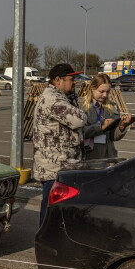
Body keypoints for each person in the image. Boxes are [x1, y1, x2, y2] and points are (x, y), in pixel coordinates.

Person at [33, 63, 87, 225]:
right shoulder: (53, 99)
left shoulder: (61, 97)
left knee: (60, 212)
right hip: (54, 168)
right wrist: (82, 113)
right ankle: (45, 244)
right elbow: (78, 120)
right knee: (52, 213)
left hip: (62, 165)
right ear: (58, 80)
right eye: (71, 79)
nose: (75, 82)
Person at [81, 73, 132, 160]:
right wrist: (101, 127)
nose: (105, 95)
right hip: (89, 157)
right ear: (92, 88)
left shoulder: (112, 107)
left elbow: (113, 137)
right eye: (101, 91)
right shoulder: (81, 107)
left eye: (108, 91)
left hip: (108, 156)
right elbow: (79, 133)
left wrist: (121, 126)